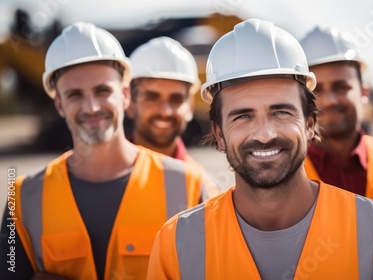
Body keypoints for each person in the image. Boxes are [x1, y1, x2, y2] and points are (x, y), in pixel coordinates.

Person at [147, 18, 373, 280]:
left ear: (310, 125)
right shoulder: (177, 243)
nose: (265, 134)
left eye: (281, 112)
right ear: (219, 134)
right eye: (243, 116)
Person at [0, 22, 218, 280]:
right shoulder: (22, 198)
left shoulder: (192, 186)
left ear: (125, 95)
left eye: (102, 91)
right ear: (59, 103)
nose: (91, 107)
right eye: (75, 95)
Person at [299, 25, 373, 205]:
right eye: (316, 90)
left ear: (364, 92)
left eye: (341, 87)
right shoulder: (280, 174)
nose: (330, 101)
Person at [127, 36, 221, 199]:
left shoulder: (204, 189)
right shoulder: (101, 177)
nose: (165, 111)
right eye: (152, 97)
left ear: (190, 107)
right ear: (129, 103)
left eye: (176, 99)